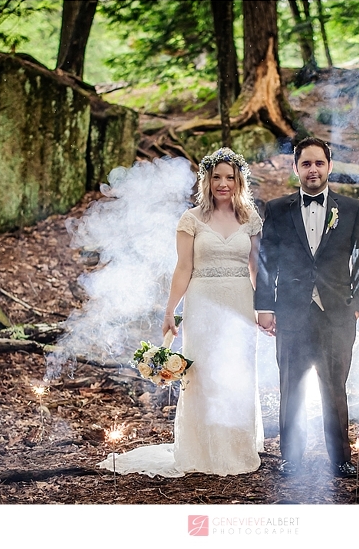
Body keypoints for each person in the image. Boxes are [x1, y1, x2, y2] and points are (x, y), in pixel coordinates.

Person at [98, 148, 264, 477]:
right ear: (206, 181)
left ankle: (236, 448)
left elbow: (256, 268)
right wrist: (170, 311)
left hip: (241, 303)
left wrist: (265, 308)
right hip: (202, 303)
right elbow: (184, 267)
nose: (223, 183)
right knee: (202, 373)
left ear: (239, 181)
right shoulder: (192, 219)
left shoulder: (250, 219)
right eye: (216, 177)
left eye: (230, 177)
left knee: (238, 372)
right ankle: (203, 451)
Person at [255, 137, 359, 478]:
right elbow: (266, 262)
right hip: (291, 313)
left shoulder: (351, 209)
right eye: (306, 163)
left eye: (319, 163)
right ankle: (292, 457)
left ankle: (340, 458)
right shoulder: (278, 209)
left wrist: (356, 306)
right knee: (291, 387)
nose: (313, 170)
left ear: (329, 166)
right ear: (295, 168)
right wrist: (265, 306)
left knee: (335, 389)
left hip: (337, 315)